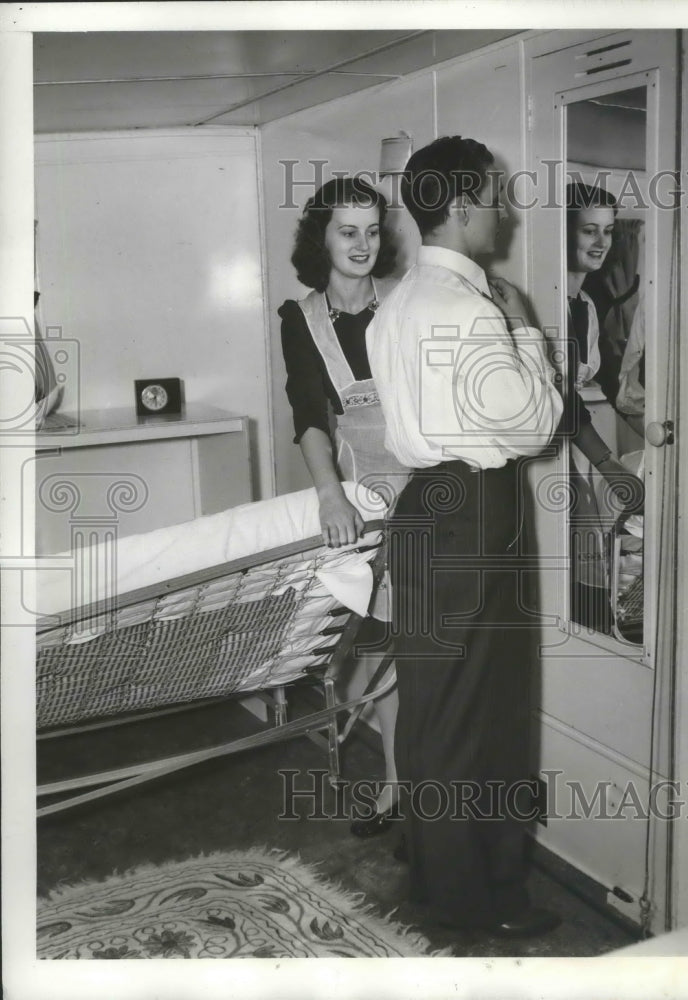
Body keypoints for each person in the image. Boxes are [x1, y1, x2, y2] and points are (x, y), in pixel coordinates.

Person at [367, 136, 564, 937]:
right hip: (479, 511)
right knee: (491, 713)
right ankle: (481, 902)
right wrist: (526, 335)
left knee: (432, 710)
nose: (504, 210)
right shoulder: (474, 310)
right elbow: (534, 424)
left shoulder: (396, 305)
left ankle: (437, 882)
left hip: (421, 508)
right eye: (494, 195)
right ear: (458, 207)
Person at [279, 177, 410, 834]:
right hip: (365, 492)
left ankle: (416, 789)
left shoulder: (407, 303)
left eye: (371, 229)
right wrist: (329, 494)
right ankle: (398, 787)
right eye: (345, 230)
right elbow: (309, 416)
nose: (361, 244)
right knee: (384, 645)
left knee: (427, 646)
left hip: (434, 482)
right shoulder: (300, 319)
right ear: (321, 239)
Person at [563, 182, 644, 633]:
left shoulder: (587, 305)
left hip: (582, 444)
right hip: (562, 449)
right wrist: (609, 463)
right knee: (576, 571)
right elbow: (559, 399)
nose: (600, 243)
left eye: (609, 231)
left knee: (595, 562)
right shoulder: (550, 301)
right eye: (588, 230)